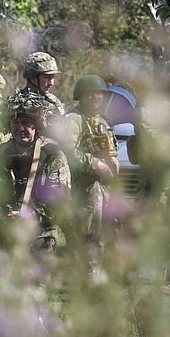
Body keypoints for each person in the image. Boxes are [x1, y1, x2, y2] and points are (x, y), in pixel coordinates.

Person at [0, 96, 71, 255]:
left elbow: (60, 199)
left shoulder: (53, 156)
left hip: (41, 233)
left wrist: (29, 214)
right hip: (5, 232)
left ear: (37, 126)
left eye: (26, 123)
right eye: (15, 123)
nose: (20, 128)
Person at [63, 75, 119, 264]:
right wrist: (94, 164)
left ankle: (95, 271)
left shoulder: (101, 120)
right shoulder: (74, 119)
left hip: (102, 186)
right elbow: (68, 152)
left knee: (101, 231)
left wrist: (112, 164)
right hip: (83, 186)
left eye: (100, 94)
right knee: (84, 232)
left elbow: (111, 151)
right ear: (82, 95)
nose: (96, 98)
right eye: (91, 94)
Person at [6, 52, 66, 134]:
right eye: (46, 77)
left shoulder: (53, 101)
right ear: (32, 77)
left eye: (53, 77)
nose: (51, 83)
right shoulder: (15, 102)